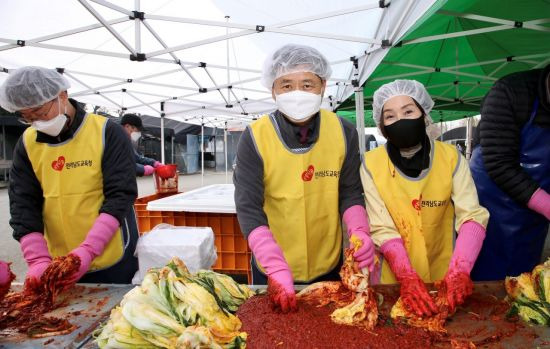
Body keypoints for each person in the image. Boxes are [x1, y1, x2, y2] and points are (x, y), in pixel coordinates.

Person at [233, 44, 374, 312]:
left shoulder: (343, 131)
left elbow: (350, 192)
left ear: (323, 85)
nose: (297, 93)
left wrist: (360, 232)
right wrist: (274, 264)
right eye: (286, 85)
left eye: (307, 84)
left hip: (328, 264)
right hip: (272, 266)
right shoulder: (255, 136)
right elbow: (249, 207)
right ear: (272, 89)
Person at [361, 80, 489, 316]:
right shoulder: (371, 164)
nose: (400, 120)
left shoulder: (450, 157)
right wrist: (406, 276)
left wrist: (460, 270)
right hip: (393, 277)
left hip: (443, 270)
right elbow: (381, 227)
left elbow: (472, 215)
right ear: (382, 127)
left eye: (408, 111)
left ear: (424, 114)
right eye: (390, 116)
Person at [0, 66, 139, 285]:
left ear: (62, 95)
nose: (36, 122)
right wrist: (37, 258)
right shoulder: (27, 142)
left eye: (39, 112)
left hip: (110, 252)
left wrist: (88, 250)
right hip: (59, 259)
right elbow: (23, 202)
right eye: (27, 117)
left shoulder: (106, 132)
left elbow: (120, 194)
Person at [470, 65, 550, 281]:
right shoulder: (510, 91)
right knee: (485, 284)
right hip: (492, 205)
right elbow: (499, 163)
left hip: (533, 218)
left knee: (522, 280)